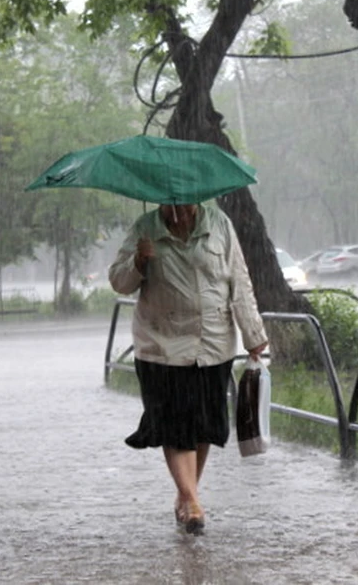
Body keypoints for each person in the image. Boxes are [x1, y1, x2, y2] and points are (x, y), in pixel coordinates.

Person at [109, 200, 268, 535]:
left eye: (184, 199)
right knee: (175, 424)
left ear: (197, 197)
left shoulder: (219, 224)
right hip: (161, 345)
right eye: (169, 200)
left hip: (212, 343)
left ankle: (186, 494)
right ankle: (193, 502)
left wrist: (253, 333)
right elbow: (119, 282)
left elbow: (239, 279)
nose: (177, 206)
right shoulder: (145, 228)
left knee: (203, 426)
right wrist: (138, 261)